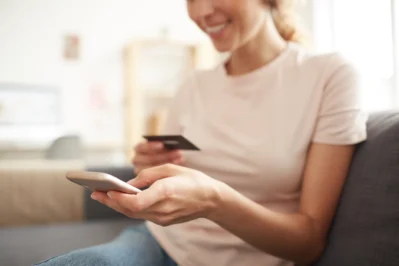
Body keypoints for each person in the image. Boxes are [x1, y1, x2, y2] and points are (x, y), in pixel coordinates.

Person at [36, 0, 367, 265]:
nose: (201, 12)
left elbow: (308, 243)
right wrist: (147, 170)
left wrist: (214, 199)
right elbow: (160, 180)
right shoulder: (193, 84)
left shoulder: (329, 76)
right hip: (160, 244)